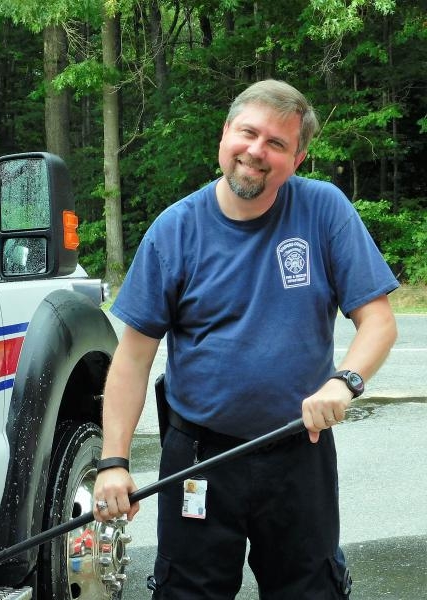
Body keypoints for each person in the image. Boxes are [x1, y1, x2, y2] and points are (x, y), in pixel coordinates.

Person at [92, 79, 399, 599]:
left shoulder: (323, 211)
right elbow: (132, 360)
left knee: (312, 590)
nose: (256, 152)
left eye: (277, 144)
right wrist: (114, 463)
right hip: (199, 459)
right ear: (224, 135)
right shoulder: (174, 231)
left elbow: (379, 321)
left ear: (297, 159)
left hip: (300, 452)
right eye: (248, 133)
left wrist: (343, 382)